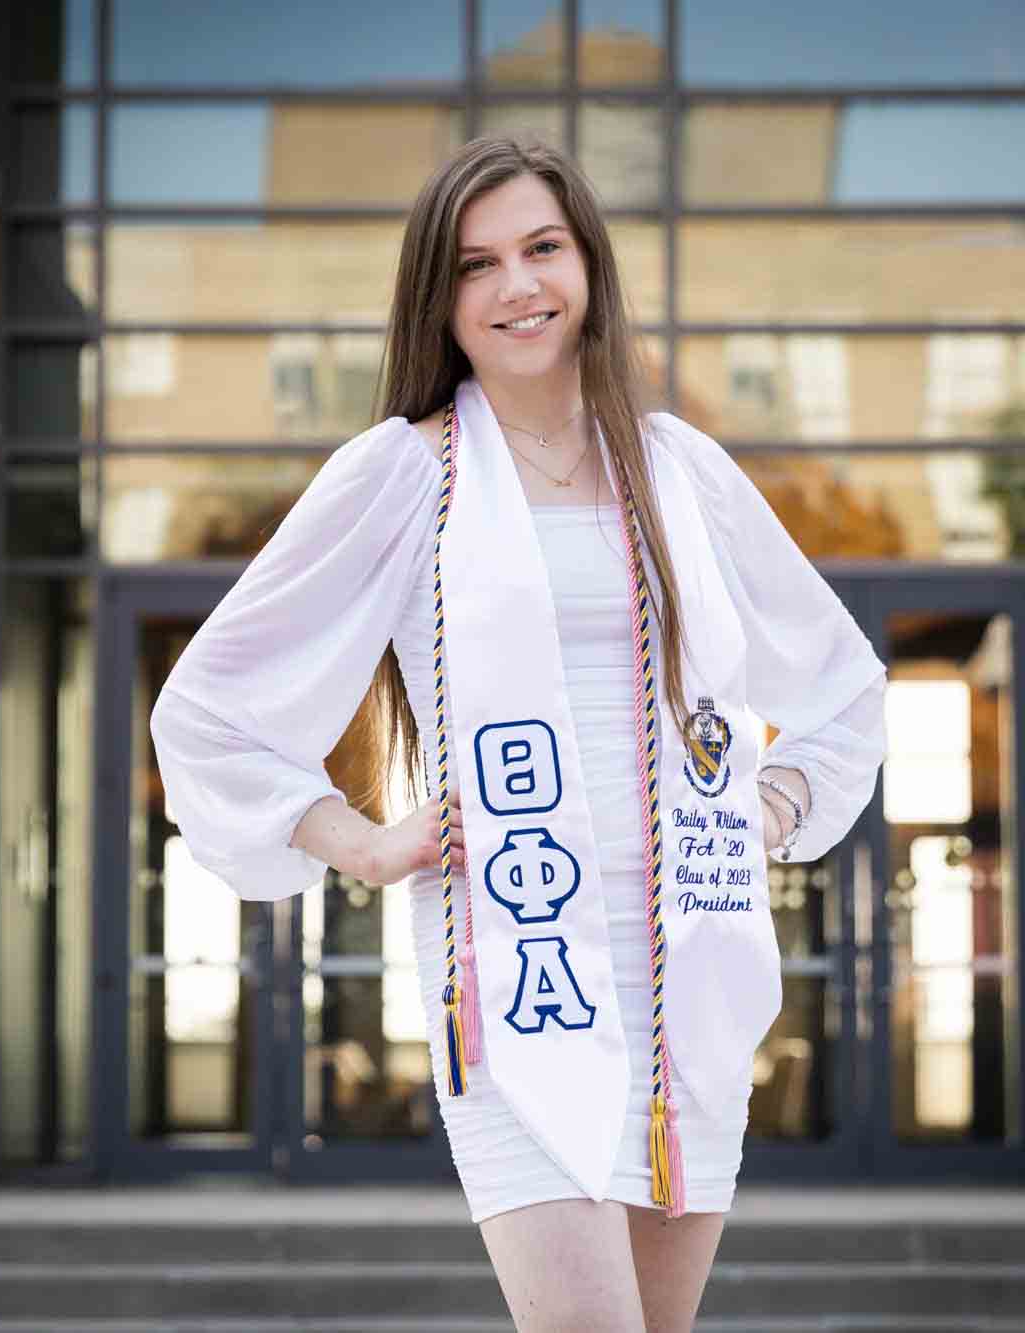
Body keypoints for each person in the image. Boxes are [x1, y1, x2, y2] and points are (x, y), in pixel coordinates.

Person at [148, 136, 888, 1333]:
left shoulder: (679, 469)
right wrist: (362, 843)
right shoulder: (405, 475)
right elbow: (211, 708)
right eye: (476, 263)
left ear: (587, 265)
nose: (517, 286)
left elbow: (841, 689)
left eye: (542, 248)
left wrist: (767, 807)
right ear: (439, 301)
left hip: (682, 965)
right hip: (521, 964)